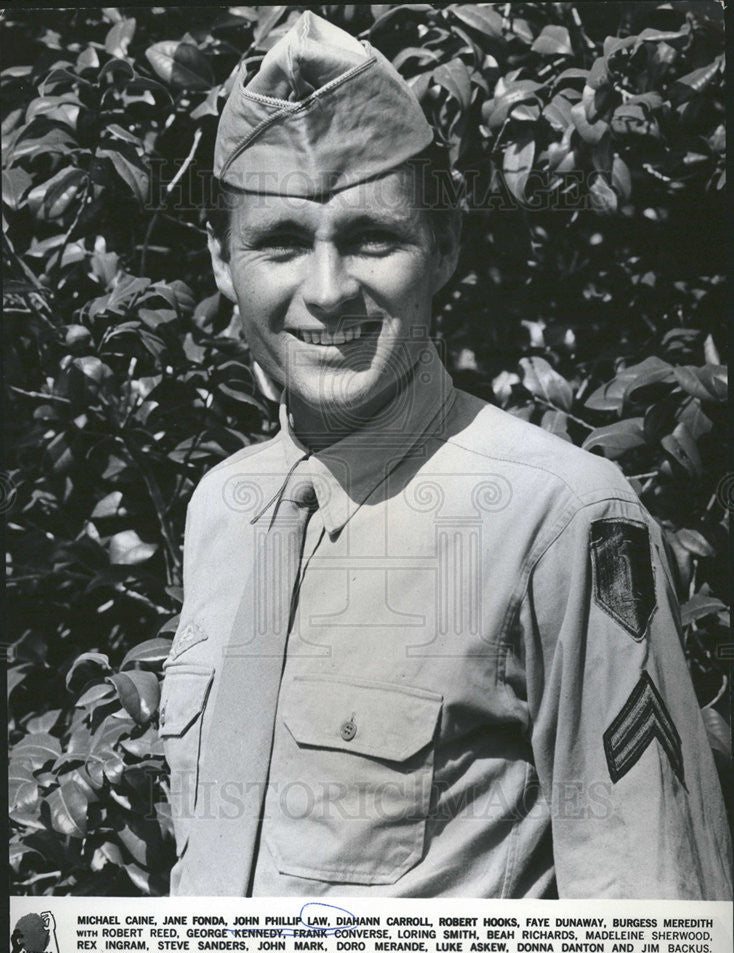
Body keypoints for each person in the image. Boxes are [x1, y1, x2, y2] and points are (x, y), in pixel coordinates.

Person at [160, 11, 731, 898]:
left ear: (446, 245)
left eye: (370, 238)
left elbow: (653, 931)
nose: (326, 290)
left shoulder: (563, 518)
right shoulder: (221, 510)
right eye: (278, 244)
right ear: (223, 264)